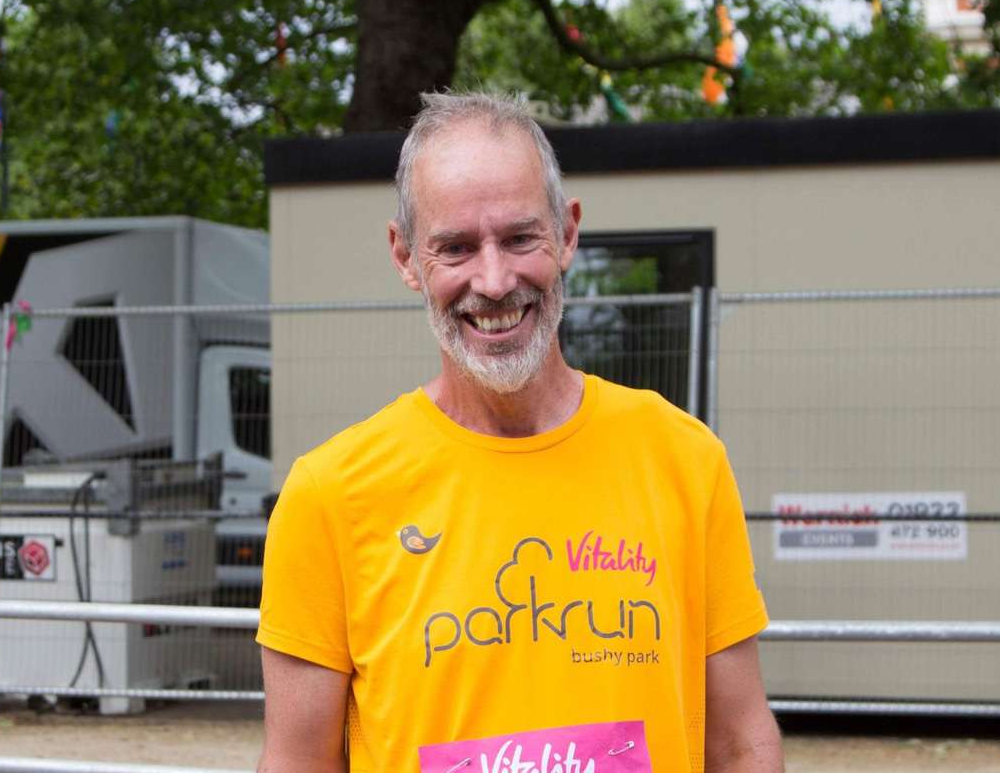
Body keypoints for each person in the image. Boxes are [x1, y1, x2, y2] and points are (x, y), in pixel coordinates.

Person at [256, 91, 783, 772]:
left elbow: (741, 742)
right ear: (406, 256)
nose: (495, 279)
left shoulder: (683, 459)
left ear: (566, 234)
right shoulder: (330, 495)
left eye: (519, 237)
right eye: (455, 247)